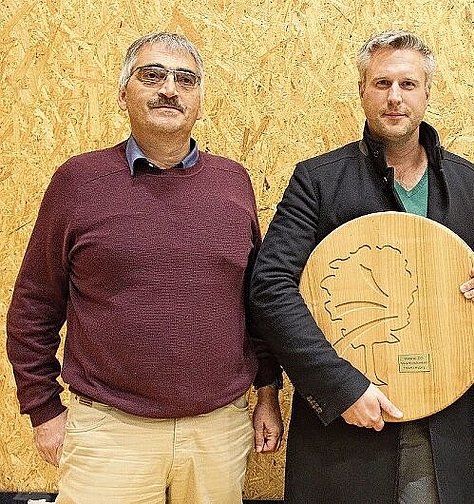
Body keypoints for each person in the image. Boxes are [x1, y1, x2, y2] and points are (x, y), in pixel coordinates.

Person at [6, 32, 283, 503]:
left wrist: (269, 393)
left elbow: (253, 303)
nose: (169, 89)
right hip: (110, 434)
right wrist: (44, 410)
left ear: (198, 97)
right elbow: (34, 305)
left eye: (184, 79)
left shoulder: (232, 183)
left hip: (217, 432)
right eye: (151, 75)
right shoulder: (79, 181)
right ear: (123, 93)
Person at [249, 30, 474, 503]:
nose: (395, 97)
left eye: (408, 84)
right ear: (362, 91)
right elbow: (270, 287)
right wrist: (341, 387)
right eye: (382, 83)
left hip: (440, 429)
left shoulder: (469, 183)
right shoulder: (319, 179)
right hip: (346, 434)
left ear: (428, 93)